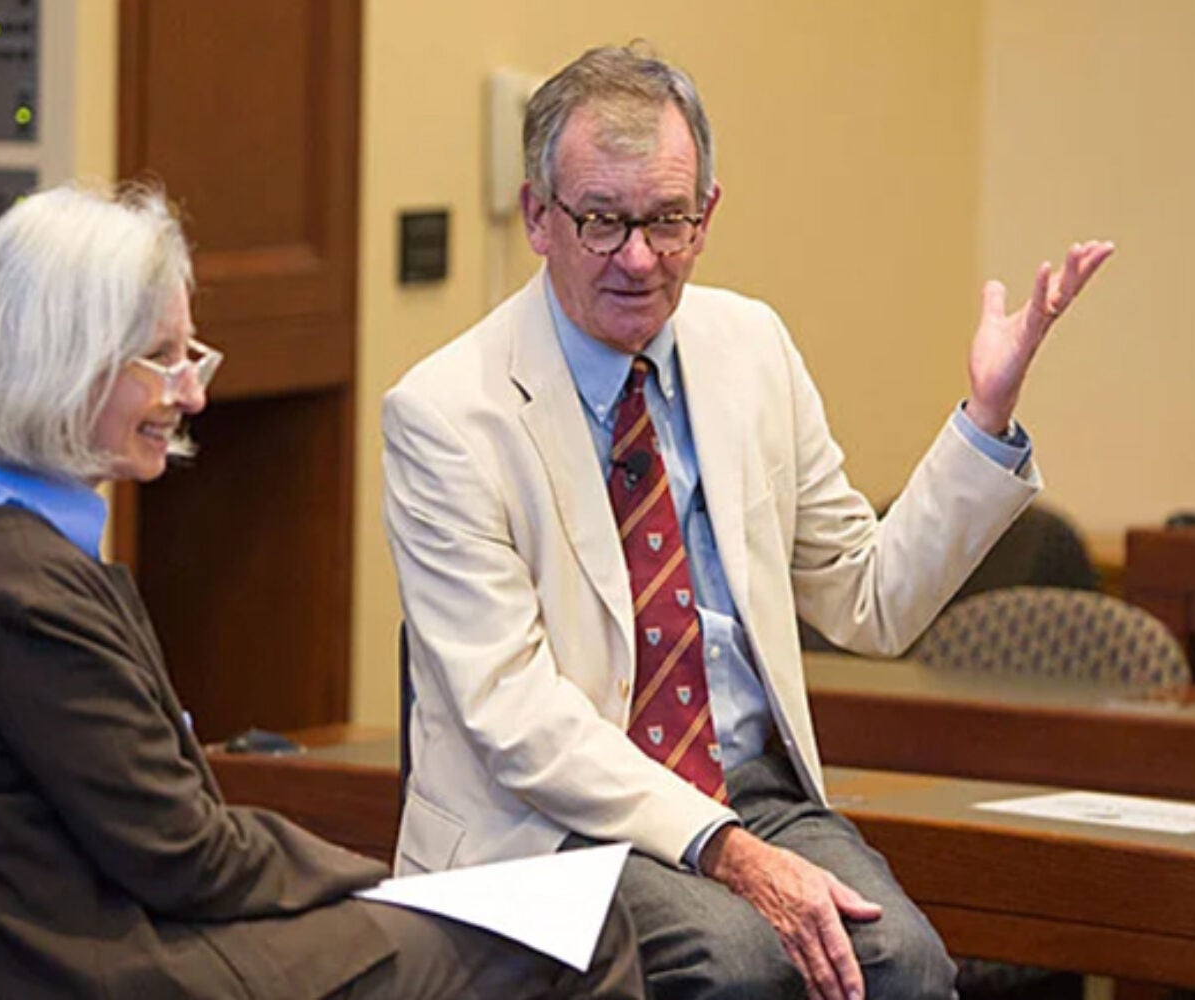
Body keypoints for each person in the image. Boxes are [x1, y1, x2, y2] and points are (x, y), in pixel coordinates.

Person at [382, 43, 1112, 1000]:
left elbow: (868, 600)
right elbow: (515, 716)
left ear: (708, 213)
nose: (638, 258)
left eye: (667, 221)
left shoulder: (750, 348)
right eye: (602, 221)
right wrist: (725, 854)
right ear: (537, 217)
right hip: (548, 828)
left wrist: (984, 419)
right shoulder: (446, 412)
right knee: (733, 965)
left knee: (906, 965)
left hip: (746, 789)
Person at [0, 182, 645, 1000]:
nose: (192, 393)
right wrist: (377, 878)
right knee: (575, 937)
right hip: (123, 972)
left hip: (130, 938)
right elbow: (187, 858)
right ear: (64, 362)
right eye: (164, 358)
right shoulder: (24, 592)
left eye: (193, 356)